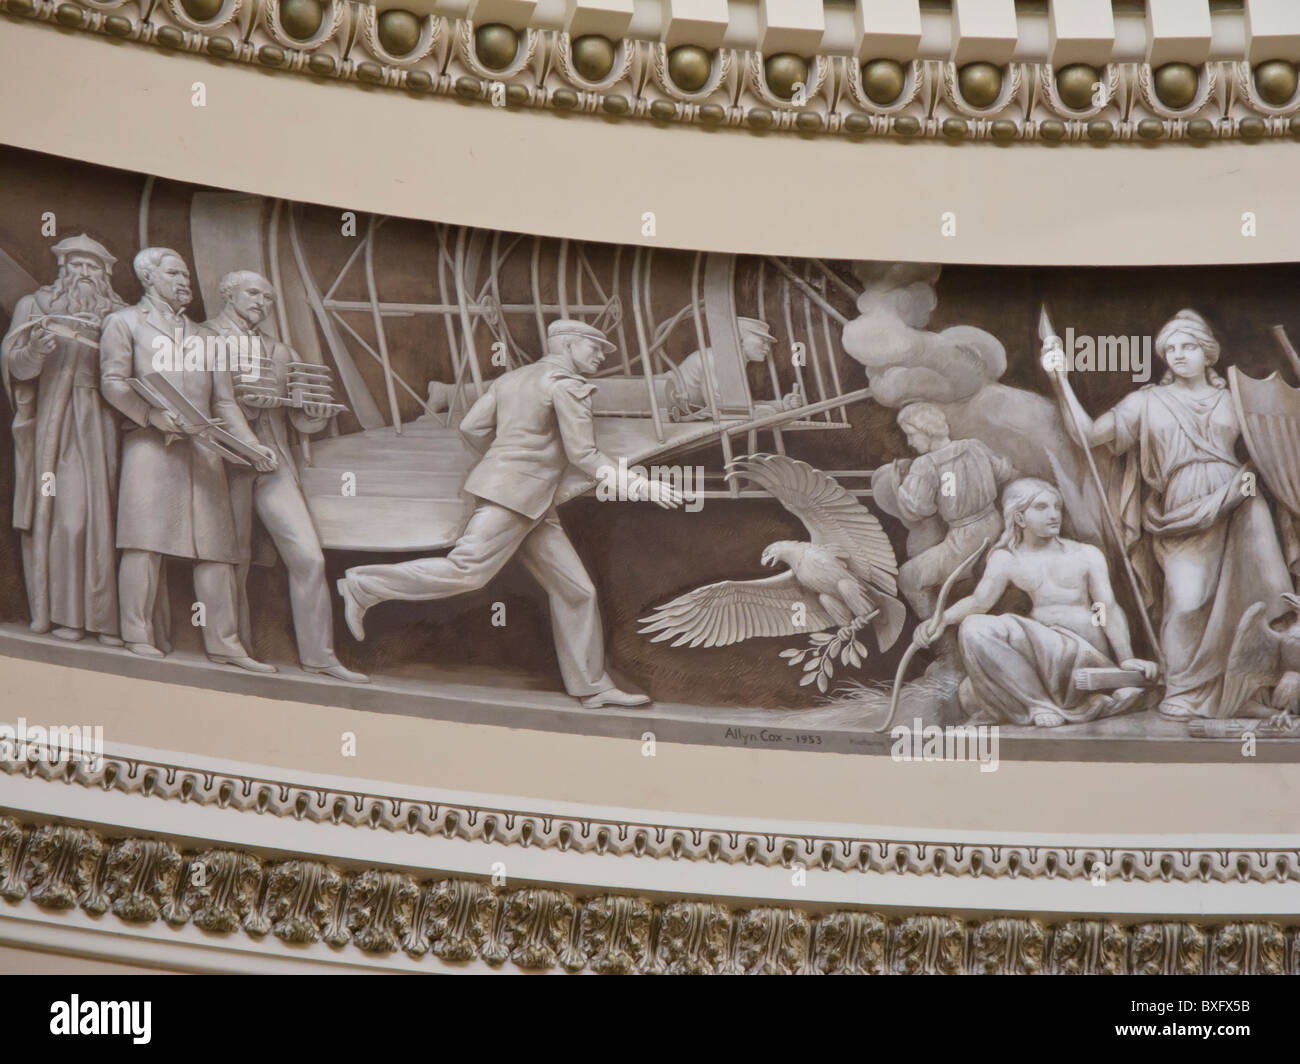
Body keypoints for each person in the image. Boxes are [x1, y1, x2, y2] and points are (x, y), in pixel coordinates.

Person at [336, 320, 682, 707]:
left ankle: (592, 688)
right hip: (516, 498)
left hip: (528, 500)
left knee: (577, 591)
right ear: (568, 346)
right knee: (467, 570)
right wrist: (641, 485)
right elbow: (584, 455)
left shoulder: (511, 380)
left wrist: (504, 461)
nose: (601, 356)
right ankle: (364, 585)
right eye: (595, 348)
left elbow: (470, 427)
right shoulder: (568, 386)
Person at [1047, 309, 1295, 720]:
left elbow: (1273, 448)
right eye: (1170, 349)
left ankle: (1245, 690)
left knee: (1249, 597)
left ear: (1208, 354)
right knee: (1187, 600)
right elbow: (1087, 435)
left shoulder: (1235, 397)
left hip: (1240, 501)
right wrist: (1059, 380)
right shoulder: (1147, 401)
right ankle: (1182, 689)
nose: (1178, 355)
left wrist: (1258, 478)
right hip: (1182, 507)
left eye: (1188, 346)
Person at [99, 248, 277, 671]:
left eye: (187, 276)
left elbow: (224, 402)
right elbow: (112, 382)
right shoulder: (123, 324)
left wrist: (251, 446)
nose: (185, 282)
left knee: (216, 550)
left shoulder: (207, 339)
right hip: (150, 446)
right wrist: (153, 416)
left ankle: (226, 644)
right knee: (144, 543)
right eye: (175, 273)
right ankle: (137, 635)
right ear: (148, 277)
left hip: (204, 450)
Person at [205, 271, 367, 683]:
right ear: (229, 293)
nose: (262, 302)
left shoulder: (280, 351)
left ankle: (319, 656)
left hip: (274, 462)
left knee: (308, 558)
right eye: (254, 293)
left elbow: (299, 418)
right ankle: (229, 650)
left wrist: (313, 417)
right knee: (229, 560)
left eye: (269, 297)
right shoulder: (201, 337)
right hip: (222, 461)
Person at [914, 478, 1159, 727]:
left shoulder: (1086, 555)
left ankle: (1038, 704)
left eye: (1056, 507)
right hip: (1040, 656)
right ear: (1019, 519)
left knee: (976, 687)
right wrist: (942, 619)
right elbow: (979, 602)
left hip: (1083, 653)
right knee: (974, 631)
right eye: (1041, 508)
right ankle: (1040, 703)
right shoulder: (1008, 559)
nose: (1054, 515)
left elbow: (1106, 608)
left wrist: (1126, 659)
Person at [1, 235, 125, 644]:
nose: (84, 273)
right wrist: (34, 350)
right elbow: (18, 369)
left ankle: (105, 619)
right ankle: (61, 613)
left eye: (92, 266)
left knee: (107, 523)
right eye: (76, 264)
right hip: (54, 425)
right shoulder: (34, 306)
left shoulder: (120, 315)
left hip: (105, 428)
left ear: (105, 273)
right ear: (62, 268)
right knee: (64, 519)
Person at [872, 402, 1016, 617]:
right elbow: (1004, 472)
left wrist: (900, 485)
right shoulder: (974, 446)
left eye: (911, 434)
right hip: (996, 524)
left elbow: (920, 509)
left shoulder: (925, 465)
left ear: (926, 430)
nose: (910, 442)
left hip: (964, 539)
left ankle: (939, 639)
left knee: (908, 578)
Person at [665, 317, 803, 419]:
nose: (767, 348)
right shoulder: (717, 360)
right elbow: (719, 407)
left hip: (678, 407)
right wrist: (765, 410)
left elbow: (738, 404)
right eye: (763, 341)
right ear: (740, 340)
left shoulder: (732, 361)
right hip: (657, 398)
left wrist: (782, 405)